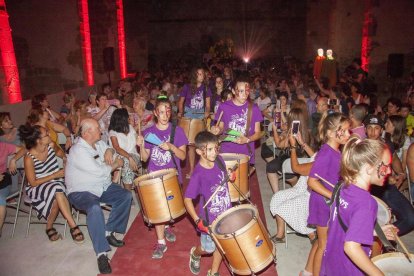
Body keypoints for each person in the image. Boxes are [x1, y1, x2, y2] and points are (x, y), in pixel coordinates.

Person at [321, 138, 396, 276]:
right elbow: (351, 247)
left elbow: (344, 222)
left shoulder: (342, 186)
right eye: (386, 166)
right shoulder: (367, 203)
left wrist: (371, 231)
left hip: (331, 263)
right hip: (348, 270)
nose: (390, 171)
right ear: (369, 168)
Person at [66, 118, 132, 274]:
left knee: (126, 196)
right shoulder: (78, 150)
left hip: (100, 187)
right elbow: (101, 171)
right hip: (81, 190)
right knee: (94, 208)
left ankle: (108, 232)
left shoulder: (99, 144)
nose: (101, 130)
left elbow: (112, 150)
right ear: (87, 132)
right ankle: (101, 254)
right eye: (97, 128)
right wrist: (115, 164)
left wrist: (110, 151)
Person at [137, 95, 188, 259]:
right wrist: (141, 146)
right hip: (154, 177)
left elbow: (182, 157)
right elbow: (144, 159)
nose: (165, 115)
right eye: (162, 112)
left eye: (168, 111)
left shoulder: (177, 131)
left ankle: (166, 227)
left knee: (169, 208)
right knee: (158, 210)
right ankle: (161, 242)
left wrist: (171, 146)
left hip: (172, 176)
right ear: (156, 113)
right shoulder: (148, 132)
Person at [18, 124, 84, 243]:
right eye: (46, 134)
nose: (49, 135)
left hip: (56, 181)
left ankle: (49, 227)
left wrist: (65, 160)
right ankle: (73, 225)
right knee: (57, 189)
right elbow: (33, 182)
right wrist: (54, 175)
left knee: (56, 195)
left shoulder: (51, 146)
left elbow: (62, 154)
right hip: (38, 186)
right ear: (39, 140)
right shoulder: (29, 158)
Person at [306, 112, 351, 276]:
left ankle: (310, 271)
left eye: (348, 131)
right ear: (331, 133)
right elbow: (311, 182)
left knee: (322, 242)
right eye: (344, 131)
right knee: (323, 245)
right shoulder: (326, 153)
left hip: (328, 202)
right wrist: (334, 195)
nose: (348, 134)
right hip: (322, 204)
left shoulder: (337, 151)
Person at [184, 131, 232, 276]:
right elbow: (187, 200)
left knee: (221, 245)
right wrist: (197, 220)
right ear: (199, 151)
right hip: (209, 220)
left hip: (225, 214)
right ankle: (196, 253)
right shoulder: (198, 174)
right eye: (209, 149)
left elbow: (224, 177)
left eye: (216, 148)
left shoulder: (219, 160)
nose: (214, 152)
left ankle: (214, 272)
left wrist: (230, 175)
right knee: (209, 248)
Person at [269, 131, 316, 245]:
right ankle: (281, 235)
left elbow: (295, 168)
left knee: (285, 207)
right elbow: (315, 155)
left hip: (313, 193)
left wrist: (293, 146)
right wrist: (302, 142)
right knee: (277, 197)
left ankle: (312, 235)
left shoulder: (326, 158)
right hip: (302, 187)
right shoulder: (325, 152)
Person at [210, 76, 263, 167]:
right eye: (241, 91)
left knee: (242, 181)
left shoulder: (253, 108)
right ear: (234, 91)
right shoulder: (224, 106)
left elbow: (258, 133)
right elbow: (222, 128)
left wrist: (247, 139)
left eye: (247, 90)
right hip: (226, 150)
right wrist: (217, 129)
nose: (245, 94)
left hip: (245, 151)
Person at [178, 67, 212, 178]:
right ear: (195, 75)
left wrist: (206, 112)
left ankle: (205, 167)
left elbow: (207, 105)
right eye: (199, 74)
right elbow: (181, 101)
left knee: (202, 144)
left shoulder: (206, 88)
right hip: (189, 114)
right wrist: (180, 112)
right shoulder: (187, 87)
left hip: (200, 115)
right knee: (191, 145)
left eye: (202, 74)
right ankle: (192, 170)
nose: (201, 76)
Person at [108, 108, 140, 192]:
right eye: (127, 116)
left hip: (134, 155)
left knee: (127, 162)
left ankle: (127, 192)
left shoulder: (130, 127)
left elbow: (137, 139)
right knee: (126, 162)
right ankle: (128, 192)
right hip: (120, 156)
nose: (128, 118)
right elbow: (117, 148)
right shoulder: (113, 132)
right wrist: (129, 157)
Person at [0, 141, 21, 237]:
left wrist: (13, 159)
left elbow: (24, 149)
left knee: (0, 199)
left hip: (2, 180)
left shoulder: (3, 146)